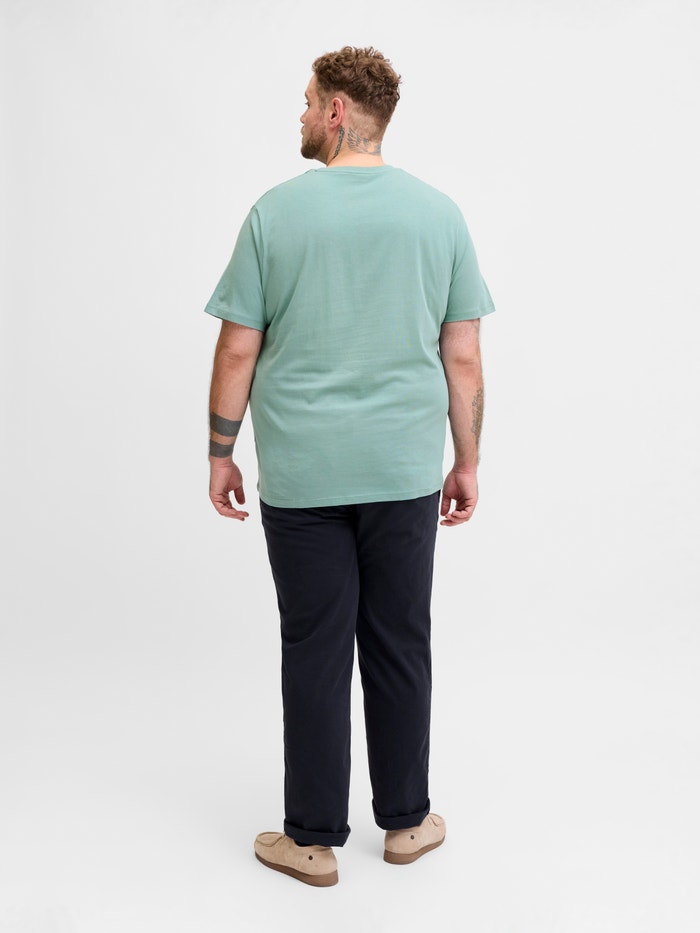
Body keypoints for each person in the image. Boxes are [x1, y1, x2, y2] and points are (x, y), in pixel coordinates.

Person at [204, 46, 495, 887]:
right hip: (404, 471)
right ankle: (405, 823)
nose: (299, 114)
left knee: (316, 648)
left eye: (307, 101)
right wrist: (467, 460)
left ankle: (310, 840)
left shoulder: (275, 214)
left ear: (337, 110)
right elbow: (463, 356)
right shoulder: (439, 216)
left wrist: (220, 451)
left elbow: (237, 348)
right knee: (401, 641)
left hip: (304, 477)